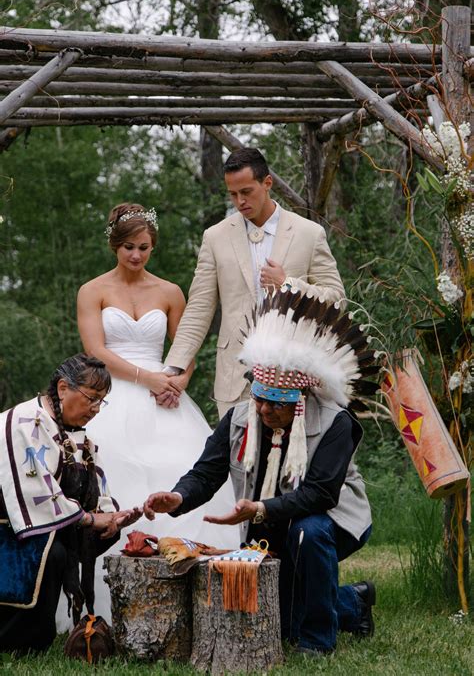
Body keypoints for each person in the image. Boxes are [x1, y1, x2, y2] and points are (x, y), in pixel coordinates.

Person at [145, 289, 379, 657]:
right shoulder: (240, 417)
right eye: (259, 399)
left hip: (333, 520)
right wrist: (179, 497)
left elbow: (320, 494)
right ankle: (353, 602)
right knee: (280, 613)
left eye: (277, 404)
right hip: (267, 520)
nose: (265, 411)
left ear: (300, 402)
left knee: (308, 532)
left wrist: (260, 510)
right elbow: (207, 473)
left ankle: (316, 642)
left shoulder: (336, 423)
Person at [77, 203, 240, 617]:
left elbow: (186, 345)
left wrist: (178, 381)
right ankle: (111, 602)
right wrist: (146, 378)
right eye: (128, 247)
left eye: (144, 247)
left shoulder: (169, 292)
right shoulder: (93, 291)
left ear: (153, 247)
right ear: (115, 245)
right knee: (117, 472)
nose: (136, 255)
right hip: (115, 390)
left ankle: (199, 596)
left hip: (166, 394)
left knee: (181, 468)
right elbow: (95, 350)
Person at [164, 147, 345, 418]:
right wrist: (172, 368)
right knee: (238, 458)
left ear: (267, 183)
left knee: (291, 459)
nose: (239, 201)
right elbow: (199, 309)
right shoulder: (215, 237)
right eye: (233, 194)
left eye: (246, 192)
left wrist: (289, 284)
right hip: (235, 376)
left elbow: (337, 300)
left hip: (295, 374)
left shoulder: (309, 233)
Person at [0, 354, 141, 653]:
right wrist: (90, 519)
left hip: (41, 518)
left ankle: (47, 630)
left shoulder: (74, 432)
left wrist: (110, 515)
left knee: (99, 534)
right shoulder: (25, 422)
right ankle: (21, 641)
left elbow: (95, 478)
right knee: (53, 551)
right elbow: (35, 492)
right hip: (10, 521)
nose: (95, 409)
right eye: (91, 398)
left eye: (102, 401)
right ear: (63, 388)